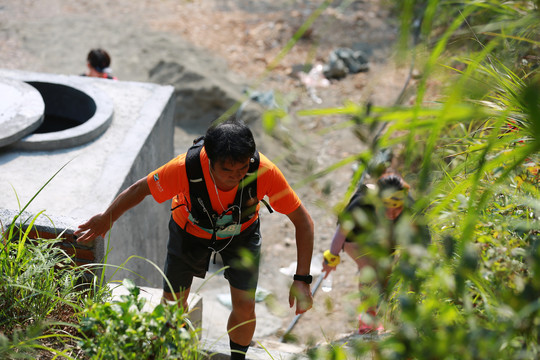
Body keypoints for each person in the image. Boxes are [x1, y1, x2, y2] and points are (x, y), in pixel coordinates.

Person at [75, 119, 314, 359]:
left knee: (244, 306)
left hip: (242, 234)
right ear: (209, 159)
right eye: (227, 170)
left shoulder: (264, 172)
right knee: (172, 305)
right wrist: (107, 218)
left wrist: (302, 278)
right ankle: (174, 353)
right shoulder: (184, 168)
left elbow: (303, 221)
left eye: (241, 169)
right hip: (188, 230)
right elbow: (140, 189)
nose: (235, 176)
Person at [321, 168, 429, 334]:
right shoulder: (362, 201)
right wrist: (331, 258)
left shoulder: (409, 204)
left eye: (396, 210)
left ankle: (390, 315)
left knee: (385, 277)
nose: (391, 214)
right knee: (369, 270)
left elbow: (424, 236)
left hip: (385, 238)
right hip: (356, 238)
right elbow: (341, 231)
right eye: (386, 209)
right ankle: (367, 318)